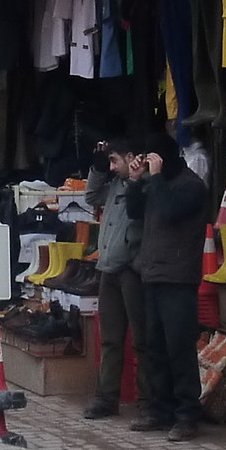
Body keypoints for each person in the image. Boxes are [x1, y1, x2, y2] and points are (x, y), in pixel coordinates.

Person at [132, 134, 209, 441]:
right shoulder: (157, 183)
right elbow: (135, 212)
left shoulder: (192, 186)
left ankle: (187, 414)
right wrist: (137, 181)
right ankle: (159, 409)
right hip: (152, 273)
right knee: (155, 347)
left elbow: (170, 211)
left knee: (179, 348)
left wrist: (156, 178)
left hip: (179, 277)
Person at [84, 144, 144, 421]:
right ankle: (106, 398)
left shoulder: (144, 185)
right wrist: (96, 167)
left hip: (132, 270)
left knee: (143, 340)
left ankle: (148, 402)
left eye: (113, 160)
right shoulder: (114, 185)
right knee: (110, 339)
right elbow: (91, 195)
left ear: (132, 158)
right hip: (108, 268)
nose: (111, 167)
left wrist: (135, 180)